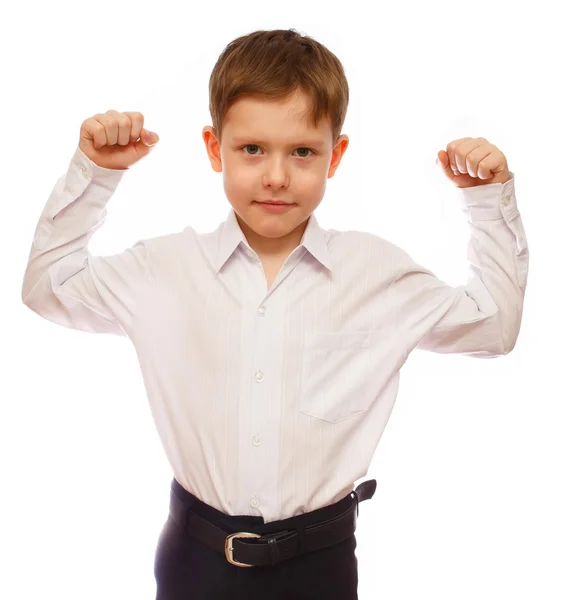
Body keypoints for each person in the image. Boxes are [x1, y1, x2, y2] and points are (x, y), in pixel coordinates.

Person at [21, 27, 529, 600]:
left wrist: (487, 204)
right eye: (252, 149)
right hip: (194, 562)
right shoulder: (162, 271)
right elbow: (47, 286)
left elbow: (494, 325)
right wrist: (96, 174)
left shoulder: (377, 273)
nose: (277, 177)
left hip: (321, 567)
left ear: (335, 156)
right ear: (215, 149)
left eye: (303, 152)